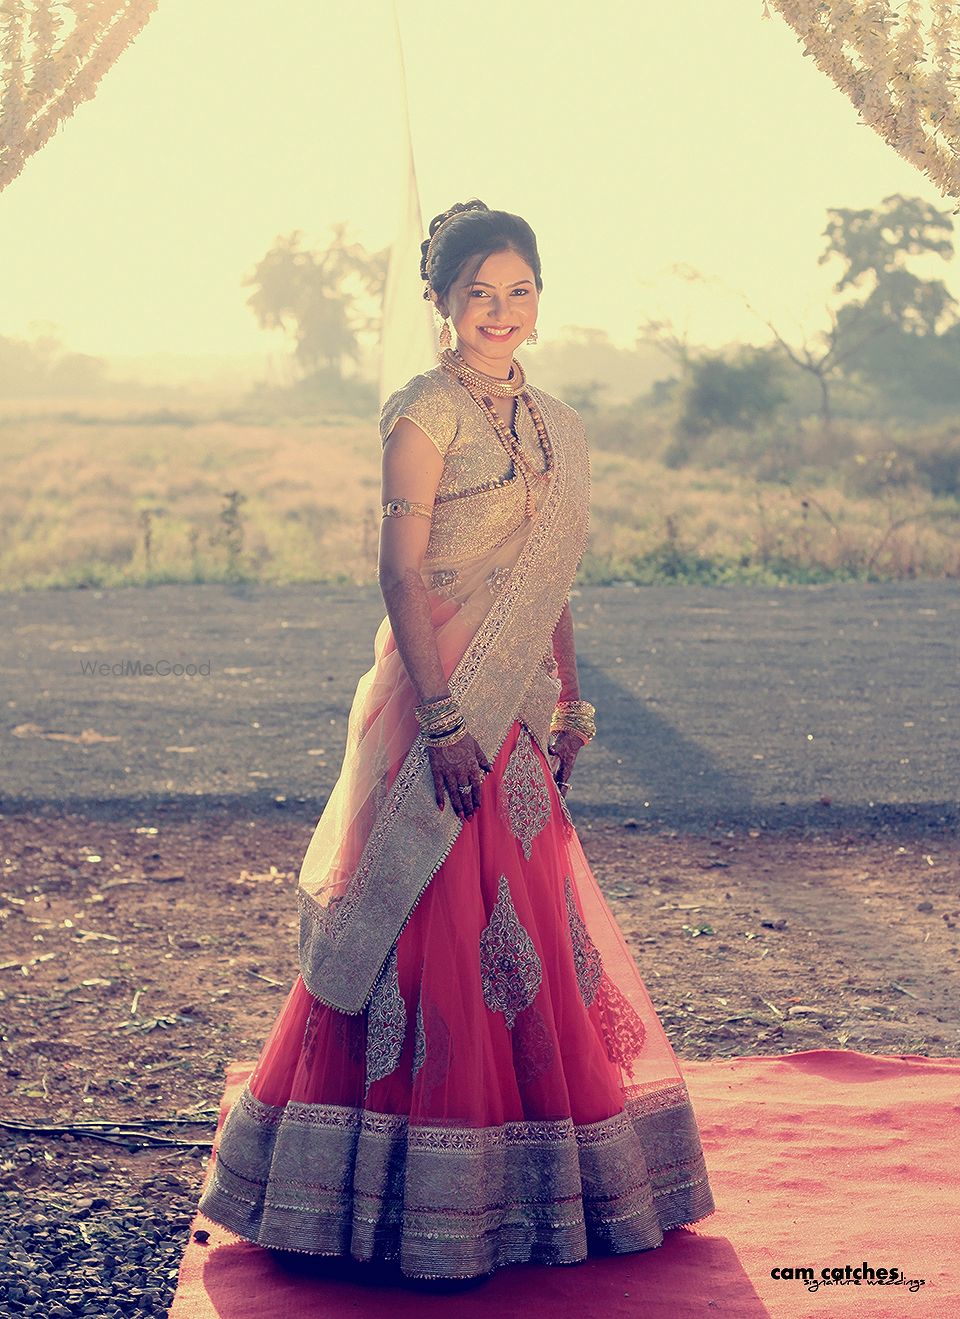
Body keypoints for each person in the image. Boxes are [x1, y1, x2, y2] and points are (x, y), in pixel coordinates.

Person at [196, 199, 716, 1283]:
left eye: (518, 291)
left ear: (540, 300)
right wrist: (440, 719)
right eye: (478, 292)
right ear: (441, 303)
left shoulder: (560, 427)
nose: (499, 311)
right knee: (415, 919)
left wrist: (571, 700)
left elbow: (547, 577)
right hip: (435, 706)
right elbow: (401, 573)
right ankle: (375, 1199)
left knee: (524, 925)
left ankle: (531, 1187)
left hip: (518, 712)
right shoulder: (423, 413)